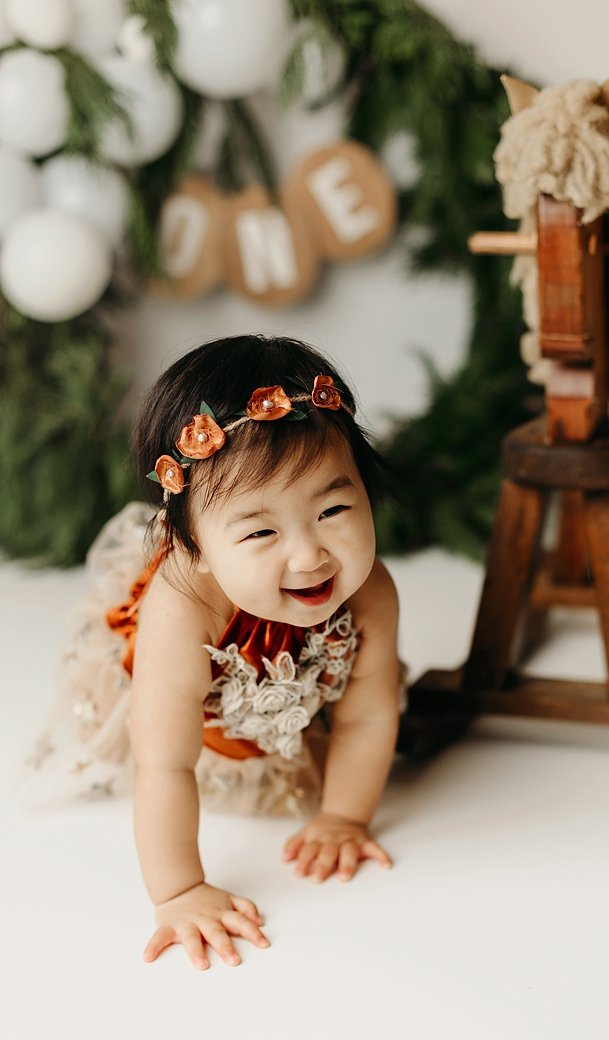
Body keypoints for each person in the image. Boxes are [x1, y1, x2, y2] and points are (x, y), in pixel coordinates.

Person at [25, 335, 401, 970]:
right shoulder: (184, 610)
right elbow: (165, 763)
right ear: (194, 545)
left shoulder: (371, 594)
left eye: (334, 508)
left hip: (293, 699)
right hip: (198, 718)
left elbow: (368, 712)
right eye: (260, 530)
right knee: (157, 731)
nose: (310, 556)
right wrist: (178, 890)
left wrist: (344, 816)